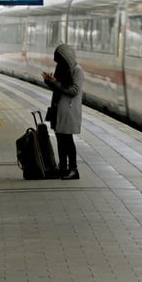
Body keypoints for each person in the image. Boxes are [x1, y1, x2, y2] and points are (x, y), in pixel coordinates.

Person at [43, 44, 83, 180]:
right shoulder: (61, 69)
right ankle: (63, 167)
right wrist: (49, 81)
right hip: (57, 108)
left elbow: (74, 90)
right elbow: (57, 88)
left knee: (67, 139)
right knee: (60, 139)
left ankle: (73, 169)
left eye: (61, 59)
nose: (59, 63)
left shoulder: (76, 71)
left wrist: (57, 83)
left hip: (69, 110)